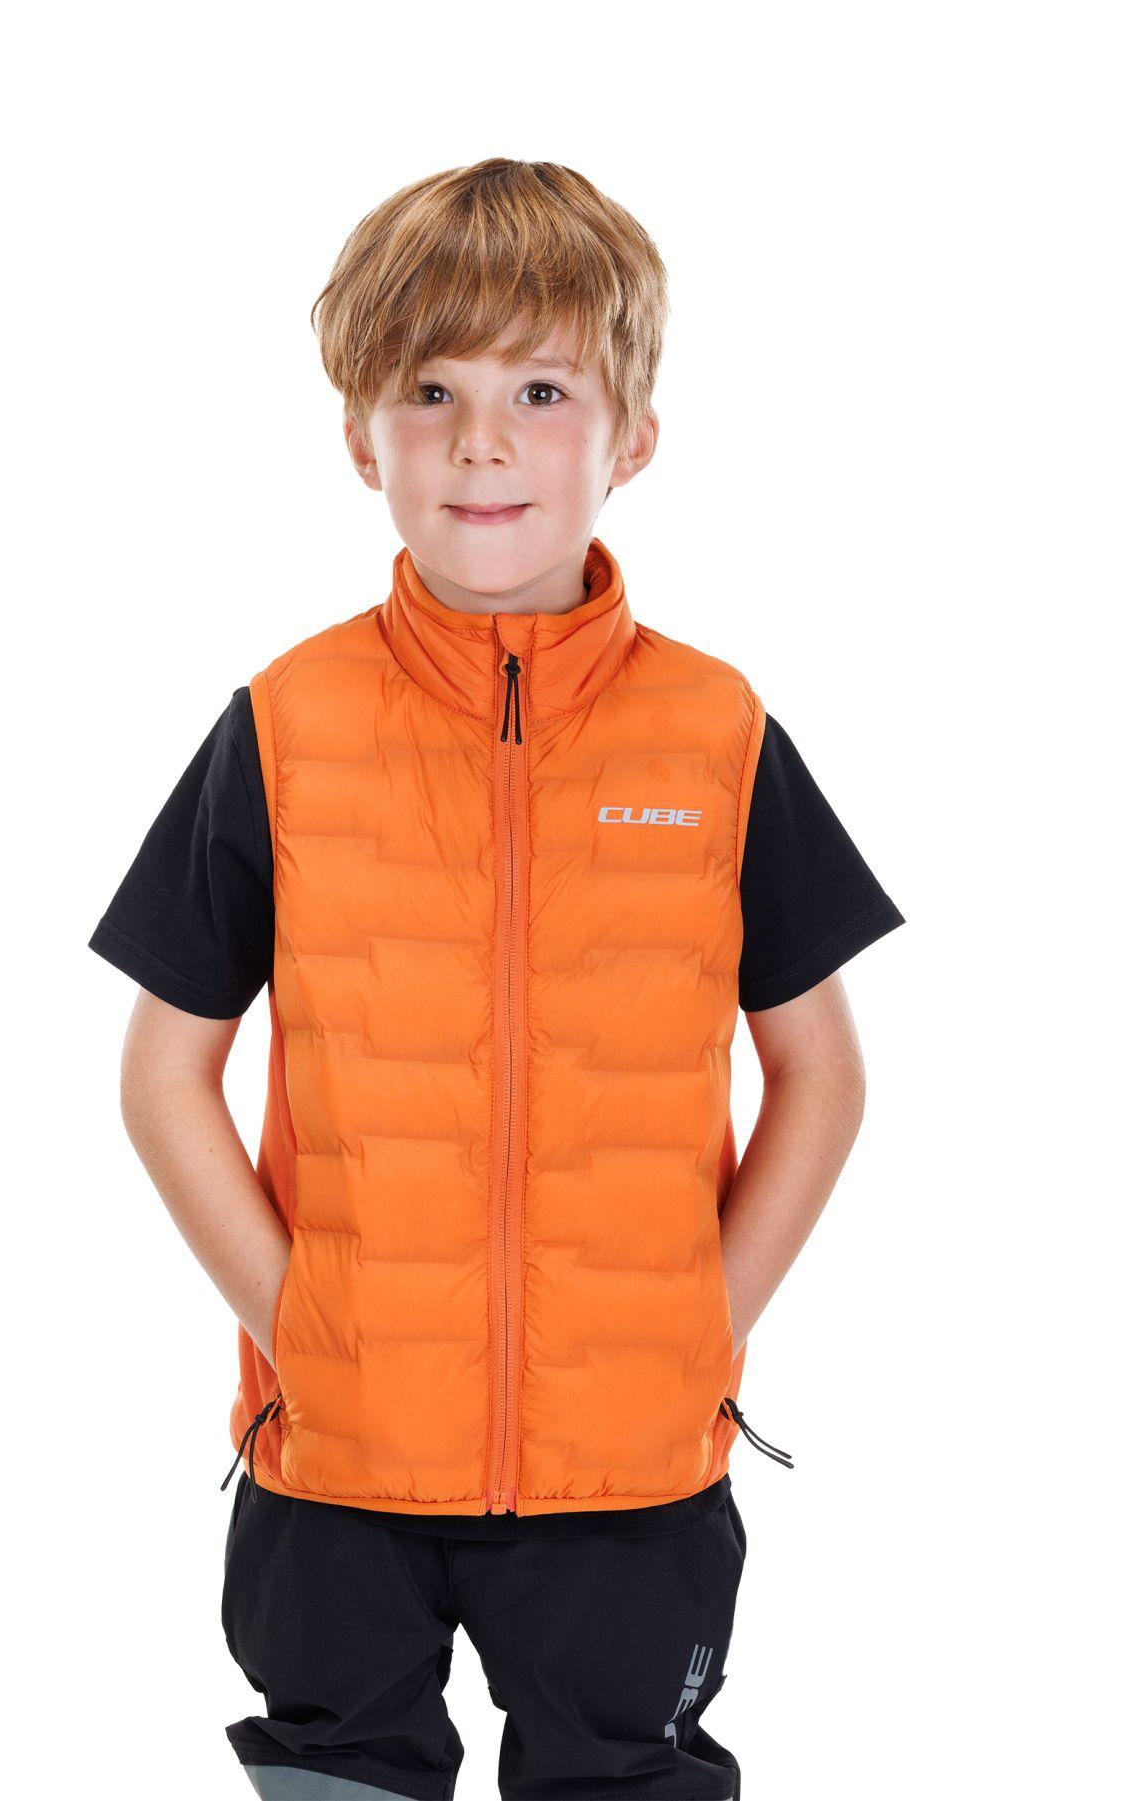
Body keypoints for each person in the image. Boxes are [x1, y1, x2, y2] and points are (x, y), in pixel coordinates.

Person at [89, 157, 904, 1801]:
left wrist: (705, 1323)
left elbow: (821, 1070)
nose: (480, 441)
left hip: (633, 1483)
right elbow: (163, 1069)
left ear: (633, 436)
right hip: (336, 1471)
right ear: (359, 436)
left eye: (540, 390)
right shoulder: (284, 725)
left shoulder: (718, 732)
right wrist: (295, 1323)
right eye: (430, 391)